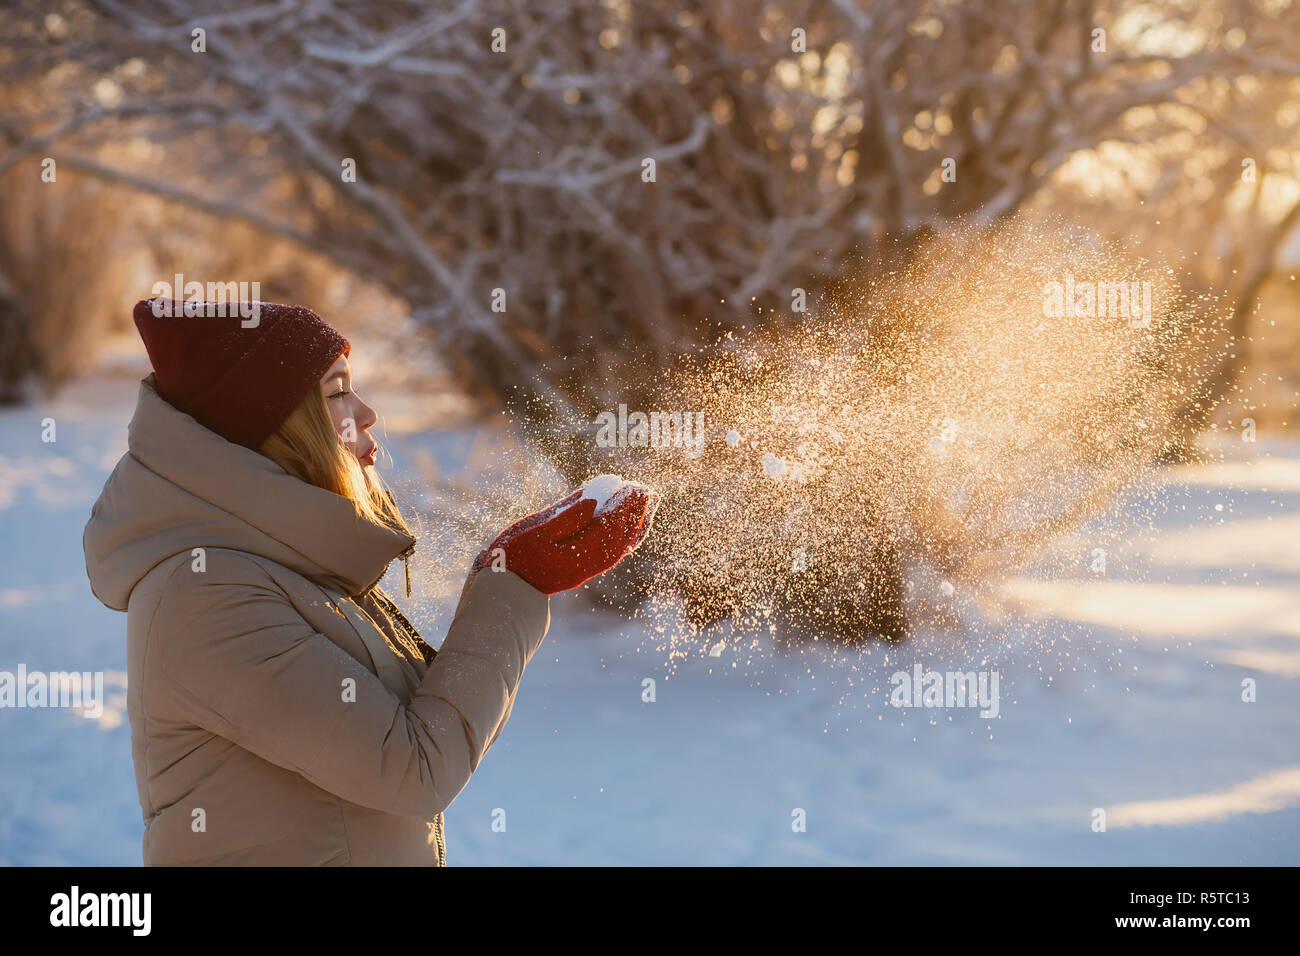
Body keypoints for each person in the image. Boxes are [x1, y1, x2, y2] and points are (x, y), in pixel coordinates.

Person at [82, 298, 657, 866]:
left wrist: (503, 573)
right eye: (336, 393)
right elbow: (412, 767)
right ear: (275, 428)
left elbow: (410, 720)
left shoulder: (287, 564)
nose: (367, 411)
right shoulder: (206, 596)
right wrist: (513, 586)